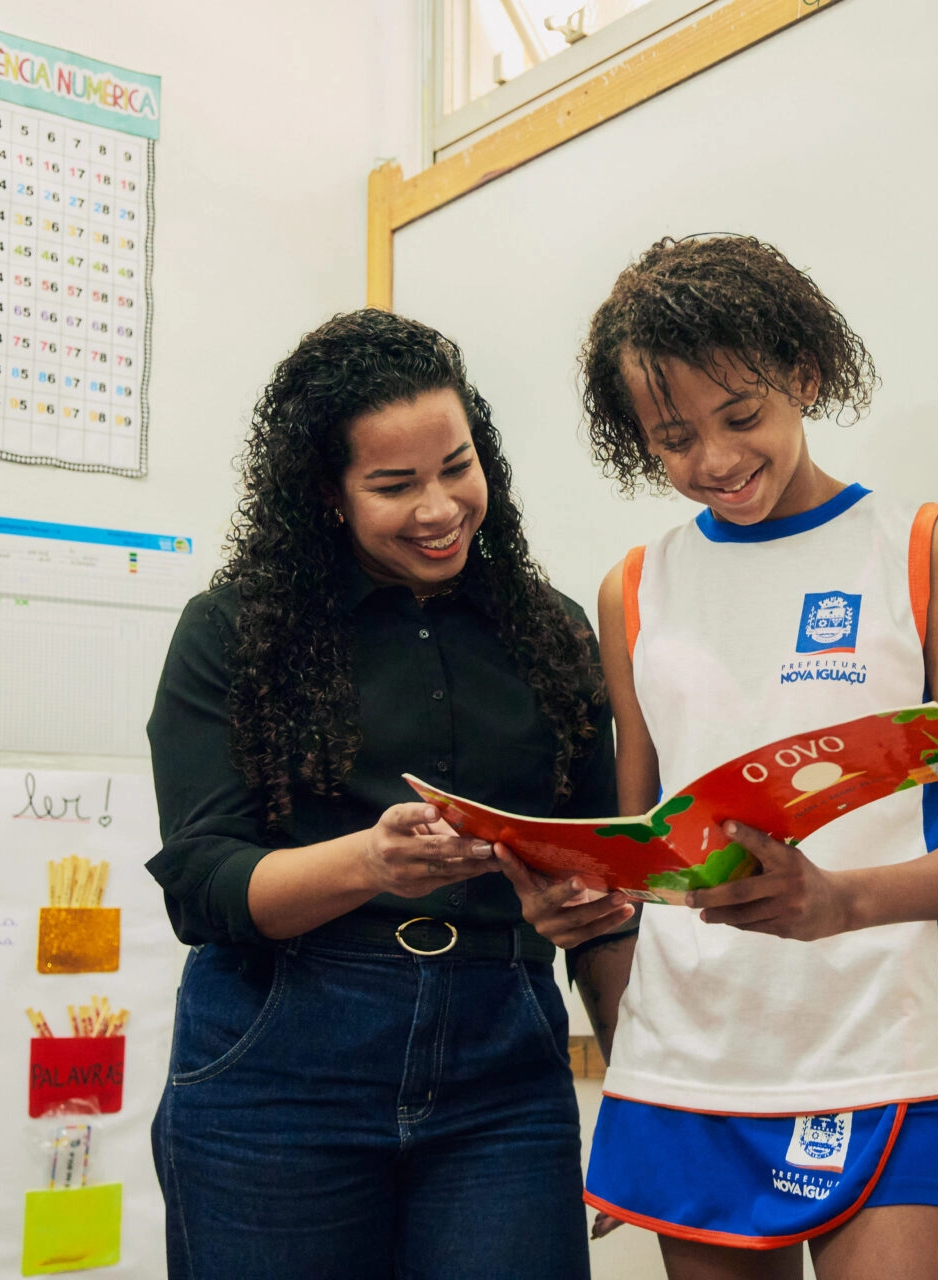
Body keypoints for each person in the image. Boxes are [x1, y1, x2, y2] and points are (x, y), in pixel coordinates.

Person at [499, 237, 938, 1279]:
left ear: (805, 372)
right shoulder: (635, 589)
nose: (714, 459)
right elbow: (640, 864)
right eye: (672, 437)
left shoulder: (919, 549)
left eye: (740, 415)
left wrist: (838, 900)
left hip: (876, 1056)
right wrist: (581, 908)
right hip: (687, 1067)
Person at [144, 310, 633, 1280]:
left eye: (457, 465)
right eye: (394, 485)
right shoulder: (235, 629)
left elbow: (607, 878)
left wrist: (638, 1082)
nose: (441, 505)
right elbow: (202, 886)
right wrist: (371, 862)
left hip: (503, 1054)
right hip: (280, 1058)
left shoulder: (548, 629)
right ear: (327, 493)